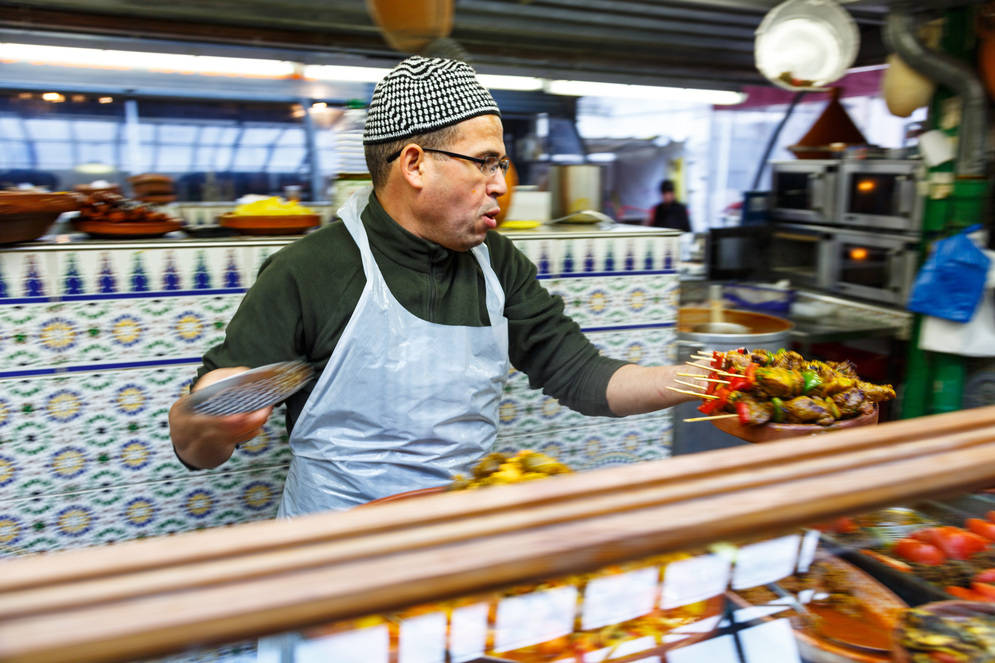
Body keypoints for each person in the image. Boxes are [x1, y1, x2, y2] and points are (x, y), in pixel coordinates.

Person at [168, 55, 703, 517]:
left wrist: (701, 380)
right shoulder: (308, 270)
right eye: (485, 163)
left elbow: (582, 375)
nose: (501, 184)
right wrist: (211, 421)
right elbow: (196, 448)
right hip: (335, 549)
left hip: (460, 538)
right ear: (415, 165)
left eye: (502, 164)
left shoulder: (498, 263)